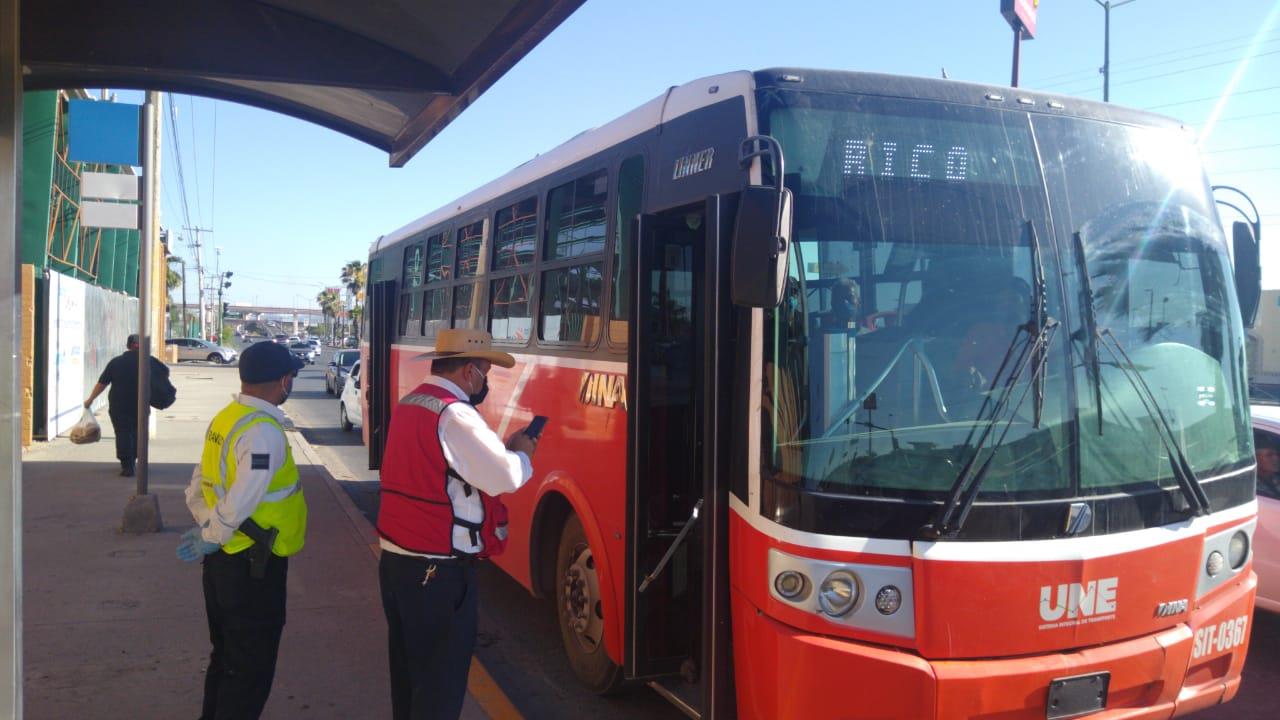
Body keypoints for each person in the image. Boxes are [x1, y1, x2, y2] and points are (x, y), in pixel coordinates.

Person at [377, 328, 539, 720]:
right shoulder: (455, 413)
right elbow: (504, 477)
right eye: (486, 371)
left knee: (410, 679)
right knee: (439, 689)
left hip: (398, 564)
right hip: (438, 575)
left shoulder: (413, 401)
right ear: (469, 371)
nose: (487, 381)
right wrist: (522, 453)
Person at [176, 340, 308, 720]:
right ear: (283, 381)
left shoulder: (227, 417)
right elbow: (244, 497)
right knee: (250, 670)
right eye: (292, 377)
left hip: (221, 565)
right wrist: (211, 535)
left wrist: (205, 528)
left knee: (227, 659)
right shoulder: (263, 432)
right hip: (253, 569)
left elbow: (199, 482)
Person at [83, 333, 170, 476]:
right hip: (141, 403)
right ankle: (135, 459)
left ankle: (127, 465)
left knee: (123, 432)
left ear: (128, 346)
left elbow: (102, 383)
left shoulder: (116, 362)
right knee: (138, 432)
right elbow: (166, 371)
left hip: (119, 404)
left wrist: (91, 399)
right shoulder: (149, 361)